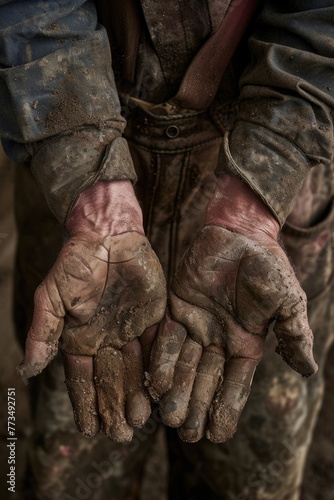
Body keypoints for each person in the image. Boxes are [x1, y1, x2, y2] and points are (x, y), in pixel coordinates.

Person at [1, 0, 334, 498]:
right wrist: (92, 191)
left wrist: (257, 195)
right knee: (75, 463)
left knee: (248, 476)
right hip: (75, 168)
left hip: (277, 169)